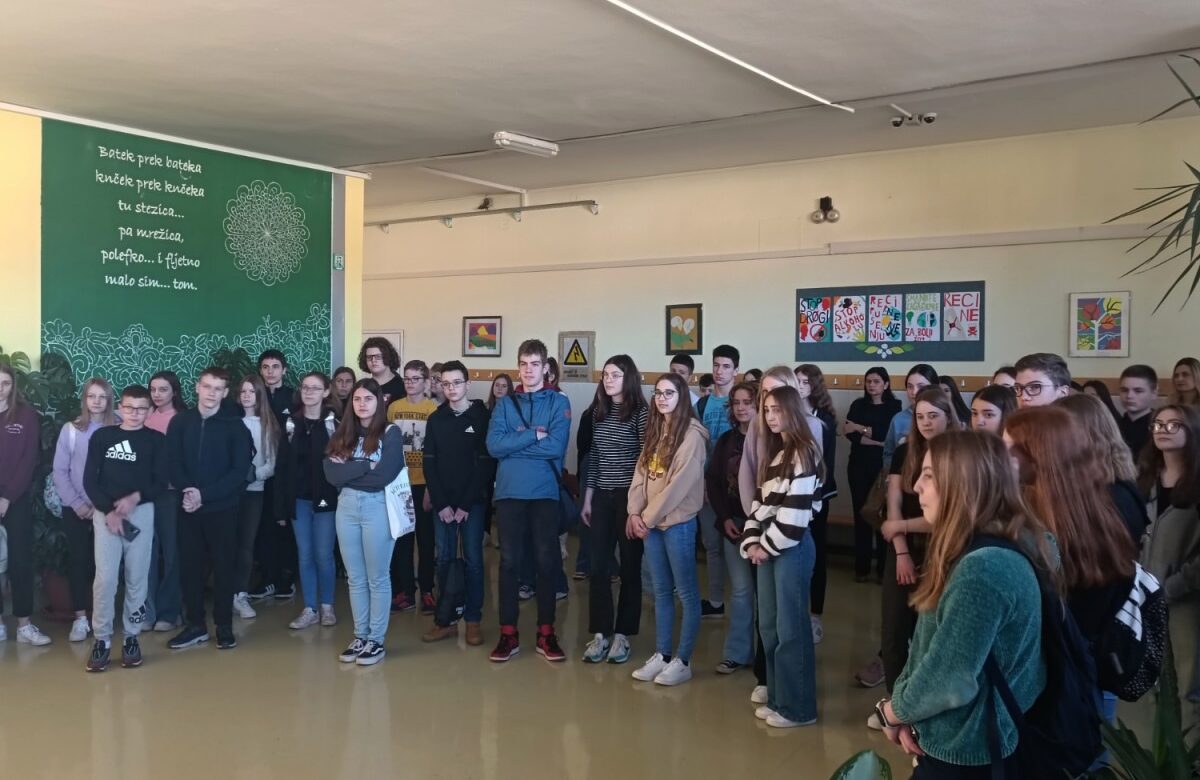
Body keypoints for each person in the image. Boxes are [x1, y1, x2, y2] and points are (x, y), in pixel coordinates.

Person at [880, 431, 1053, 776]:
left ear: (965, 483)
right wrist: (908, 711)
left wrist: (891, 712)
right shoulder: (991, 543)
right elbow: (933, 650)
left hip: (970, 747)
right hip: (964, 735)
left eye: (929, 475)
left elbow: (949, 678)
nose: (916, 486)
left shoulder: (983, 569)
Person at [1005, 405, 1141, 731]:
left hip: (1062, 680)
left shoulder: (1078, 524)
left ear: (1039, 456)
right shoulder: (1089, 512)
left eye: (1009, 449)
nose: (1000, 458)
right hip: (1072, 672)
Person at [741, 385, 824, 727]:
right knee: (770, 626)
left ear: (793, 410)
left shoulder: (804, 451)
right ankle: (778, 698)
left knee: (791, 629)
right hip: (769, 545)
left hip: (791, 547)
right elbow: (759, 506)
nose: (771, 416)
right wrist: (751, 542)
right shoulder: (777, 453)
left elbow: (796, 514)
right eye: (767, 410)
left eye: (777, 409)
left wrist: (765, 546)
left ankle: (798, 708)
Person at [872, 388, 958, 716]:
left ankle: (924, 705)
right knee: (894, 629)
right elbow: (893, 501)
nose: (926, 423)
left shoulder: (958, 453)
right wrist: (901, 552)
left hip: (942, 548)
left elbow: (948, 515)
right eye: (920, 416)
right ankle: (896, 704)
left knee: (931, 630)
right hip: (903, 548)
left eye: (933, 416)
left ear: (949, 416)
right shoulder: (905, 451)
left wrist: (902, 527)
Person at [486, 339, 571, 664]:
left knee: (546, 562)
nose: (528, 370)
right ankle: (508, 633)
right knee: (508, 563)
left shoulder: (558, 401)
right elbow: (494, 446)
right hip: (509, 494)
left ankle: (546, 632)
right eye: (523, 364)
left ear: (545, 367)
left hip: (544, 494)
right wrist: (533, 434)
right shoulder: (506, 403)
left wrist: (515, 444)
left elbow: (556, 446)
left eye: (535, 364)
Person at [629, 373, 708, 686]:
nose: (662, 399)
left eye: (669, 393)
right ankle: (662, 654)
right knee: (661, 591)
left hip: (677, 524)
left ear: (682, 396)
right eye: (658, 393)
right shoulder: (656, 428)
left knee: (686, 593)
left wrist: (646, 518)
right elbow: (641, 473)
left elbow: (678, 486)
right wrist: (633, 511)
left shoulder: (692, 435)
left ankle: (682, 660)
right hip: (651, 523)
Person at [82, 385, 168, 671]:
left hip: (140, 513)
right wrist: (108, 511)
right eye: (130, 407)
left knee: (137, 577)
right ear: (119, 407)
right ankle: (102, 640)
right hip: (106, 515)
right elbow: (90, 480)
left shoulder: (156, 441)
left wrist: (135, 498)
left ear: (149, 410)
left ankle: (132, 636)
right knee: (105, 579)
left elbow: (161, 482)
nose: (135, 413)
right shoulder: (103, 437)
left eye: (142, 408)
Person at [166, 367, 252, 651]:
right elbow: (173, 462)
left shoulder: (235, 427)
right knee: (190, 567)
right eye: (207, 386)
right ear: (197, 388)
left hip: (223, 509)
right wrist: (189, 492)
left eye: (218, 388)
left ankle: (224, 626)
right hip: (187, 508)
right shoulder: (180, 422)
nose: (211, 393)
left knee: (224, 568)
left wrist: (204, 495)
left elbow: (239, 472)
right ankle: (196, 626)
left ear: (225, 393)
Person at [324, 379, 406, 666]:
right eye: (357, 399)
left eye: (368, 399)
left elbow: (384, 476)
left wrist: (348, 471)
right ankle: (360, 636)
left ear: (379, 401)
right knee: (355, 577)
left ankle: (376, 640)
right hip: (346, 507)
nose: (362, 404)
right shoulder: (343, 432)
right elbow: (331, 475)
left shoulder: (391, 433)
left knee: (377, 577)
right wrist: (364, 466)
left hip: (377, 507)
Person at [579, 355, 648, 665]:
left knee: (630, 567)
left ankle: (622, 634)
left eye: (615, 375)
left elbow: (646, 461)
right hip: (602, 497)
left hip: (629, 499)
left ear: (628, 378)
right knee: (598, 566)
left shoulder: (641, 413)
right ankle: (600, 633)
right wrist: (588, 499)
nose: (608, 380)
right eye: (605, 375)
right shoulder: (599, 412)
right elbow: (594, 457)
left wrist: (638, 506)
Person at [1138, 404, 1200, 726]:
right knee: (1151, 683)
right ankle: (1155, 752)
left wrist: (1174, 586)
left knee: (1189, 688)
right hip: (1144, 595)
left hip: (1186, 597)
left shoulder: (1196, 480)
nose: (1163, 430)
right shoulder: (1144, 479)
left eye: (1174, 425)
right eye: (1158, 424)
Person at [422, 361, 492, 646]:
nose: (451, 388)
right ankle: (445, 620)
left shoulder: (481, 417)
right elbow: (429, 463)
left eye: (457, 382)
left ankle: (473, 620)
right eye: (446, 383)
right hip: (444, 505)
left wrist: (464, 505)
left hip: (471, 504)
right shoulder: (436, 419)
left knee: (473, 560)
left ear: (467, 384)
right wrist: (441, 504)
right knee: (444, 559)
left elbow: (485, 464)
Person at [53, 378, 118, 643]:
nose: (97, 401)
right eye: (92, 396)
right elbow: (60, 471)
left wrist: (103, 504)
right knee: (79, 562)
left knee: (106, 565)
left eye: (102, 396)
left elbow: (122, 472)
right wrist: (79, 504)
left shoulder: (119, 428)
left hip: (108, 508)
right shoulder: (71, 429)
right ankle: (80, 619)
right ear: (85, 399)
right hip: (76, 508)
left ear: (109, 399)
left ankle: (104, 617)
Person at [283, 372, 340, 631]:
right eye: (305, 387)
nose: (309, 392)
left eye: (315, 388)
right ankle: (310, 608)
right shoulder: (291, 423)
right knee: (304, 555)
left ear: (326, 392)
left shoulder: (334, 425)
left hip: (326, 500)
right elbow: (282, 464)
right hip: (299, 500)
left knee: (323, 554)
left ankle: (327, 606)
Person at [708, 382, 758, 673]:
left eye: (747, 402)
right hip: (734, 524)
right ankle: (738, 653)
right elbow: (714, 481)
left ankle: (766, 654)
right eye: (736, 403)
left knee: (765, 595)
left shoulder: (770, 439)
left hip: (763, 526)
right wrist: (725, 517)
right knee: (740, 589)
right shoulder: (726, 440)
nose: (741, 408)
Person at [0, 364, 50, 645]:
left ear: (13, 386)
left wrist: (7, 497)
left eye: (5, 383)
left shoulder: (26, 415)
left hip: (16, 499)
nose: (0, 388)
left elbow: (29, 460)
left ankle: (24, 625)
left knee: (20, 562)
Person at [386, 360, 439, 614]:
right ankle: (405, 591)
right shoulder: (394, 408)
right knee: (402, 541)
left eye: (415, 378)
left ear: (426, 382)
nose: (410, 383)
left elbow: (438, 452)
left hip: (423, 484)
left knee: (426, 541)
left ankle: (427, 590)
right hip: (400, 484)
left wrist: (431, 487)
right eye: (407, 378)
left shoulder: (433, 409)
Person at [843, 367, 901, 582]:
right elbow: (849, 433)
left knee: (881, 514)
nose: (871, 385)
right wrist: (874, 438)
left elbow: (887, 434)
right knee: (861, 516)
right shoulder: (858, 405)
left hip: (882, 467)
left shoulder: (894, 407)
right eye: (868, 381)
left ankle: (883, 570)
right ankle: (862, 568)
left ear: (886, 384)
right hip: (858, 466)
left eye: (876, 381)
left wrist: (861, 429)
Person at [696, 344, 740, 619]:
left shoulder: (741, 402)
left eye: (726, 366)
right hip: (708, 485)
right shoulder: (702, 404)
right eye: (716, 365)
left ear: (736, 370)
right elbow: (696, 448)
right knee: (712, 546)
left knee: (737, 546)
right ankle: (715, 602)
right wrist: (700, 483)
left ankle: (742, 602)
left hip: (737, 488)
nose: (720, 371)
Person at [232, 375, 281, 621]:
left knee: (246, 544)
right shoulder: (231, 422)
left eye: (252, 391)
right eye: (243, 391)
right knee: (226, 543)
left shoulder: (267, 425)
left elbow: (271, 463)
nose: (247, 395)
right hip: (228, 493)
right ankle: (226, 591)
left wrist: (252, 476)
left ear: (259, 395)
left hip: (253, 492)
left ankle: (240, 593)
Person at [249, 350, 297, 602]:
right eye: (266, 367)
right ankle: (267, 578)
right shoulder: (254, 397)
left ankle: (286, 579)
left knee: (285, 526)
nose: (270, 371)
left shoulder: (294, 397)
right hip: (260, 474)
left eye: (275, 366)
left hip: (286, 474)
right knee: (263, 528)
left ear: (284, 370)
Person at [796, 364, 838, 643]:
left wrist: (814, 492)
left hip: (818, 494)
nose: (800, 386)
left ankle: (815, 615)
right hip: (793, 495)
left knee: (817, 553)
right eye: (797, 381)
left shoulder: (823, 418)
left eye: (805, 381)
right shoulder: (789, 412)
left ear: (814, 385)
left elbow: (822, 462)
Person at [146, 370, 186, 632]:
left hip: (171, 495)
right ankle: (146, 612)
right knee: (146, 556)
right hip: (145, 495)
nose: (157, 394)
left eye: (163, 389)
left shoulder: (182, 419)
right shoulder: (145, 415)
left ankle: (170, 613)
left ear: (174, 391)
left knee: (172, 555)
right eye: (153, 389)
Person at [882, 364, 938, 468]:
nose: (914, 392)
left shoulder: (943, 417)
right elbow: (888, 454)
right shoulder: (898, 419)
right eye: (910, 386)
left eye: (921, 386)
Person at [1118, 364, 1159, 459]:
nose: (1129, 396)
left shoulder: (1159, 428)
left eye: (1138, 391)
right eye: (1124, 390)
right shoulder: (1113, 426)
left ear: (1154, 394)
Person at [358, 337, 404, 405]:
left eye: (378, 356)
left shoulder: (403, 386)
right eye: (369, 357)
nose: (373, 360)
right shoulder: (363, 387)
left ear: (388, 357)